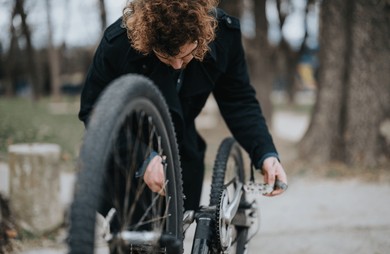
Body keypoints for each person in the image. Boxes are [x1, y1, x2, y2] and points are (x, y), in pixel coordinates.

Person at [79, 0, 287, 211]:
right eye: (166, 57)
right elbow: (93, 110)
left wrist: (265, 153)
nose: (178, 65)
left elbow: (239, 100)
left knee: (175, 237)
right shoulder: (118, 43)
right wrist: (142, 158)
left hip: (183, 148)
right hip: (125, 146)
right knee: (132, 240)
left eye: (187, 54)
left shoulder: (225, 34)